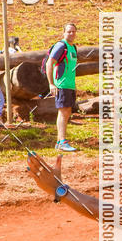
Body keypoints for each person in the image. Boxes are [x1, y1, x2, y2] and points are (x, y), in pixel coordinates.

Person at [45, 22, 78, 152]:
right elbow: (49, 63)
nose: (71, 34)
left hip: (70, 85)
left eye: (73, 31)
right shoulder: (61, 46)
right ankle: (62, 141)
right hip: (61, 84)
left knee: (67, 111)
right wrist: (51, 83)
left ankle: (60, 141)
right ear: (64, 33)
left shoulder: (73, 48)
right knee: (63, 112)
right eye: (69, 31)